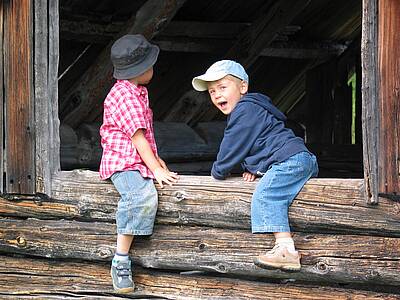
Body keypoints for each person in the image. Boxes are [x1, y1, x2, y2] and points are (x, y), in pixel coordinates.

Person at [192, 60, 318, 271]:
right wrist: (257, 169)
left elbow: (231, 148)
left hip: (291, 160)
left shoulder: (245, 109)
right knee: (268, 186)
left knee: (266, 194)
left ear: (243, 87)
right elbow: (260, 144)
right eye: (212, 91)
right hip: (294, 159)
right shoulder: (252, 109)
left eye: (223, 87)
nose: (216, 95)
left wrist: (218, 171)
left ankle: (286, 250)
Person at [99, 34, 179, 293]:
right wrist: (154, 168)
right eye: (151, 64)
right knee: (140, 196)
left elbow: (144, 139)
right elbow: (137, 137)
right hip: (123, 162)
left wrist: (157, 162)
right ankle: (120, 258)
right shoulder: (126, 96)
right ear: (142, 69)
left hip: (134, 159)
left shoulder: (135, 91)